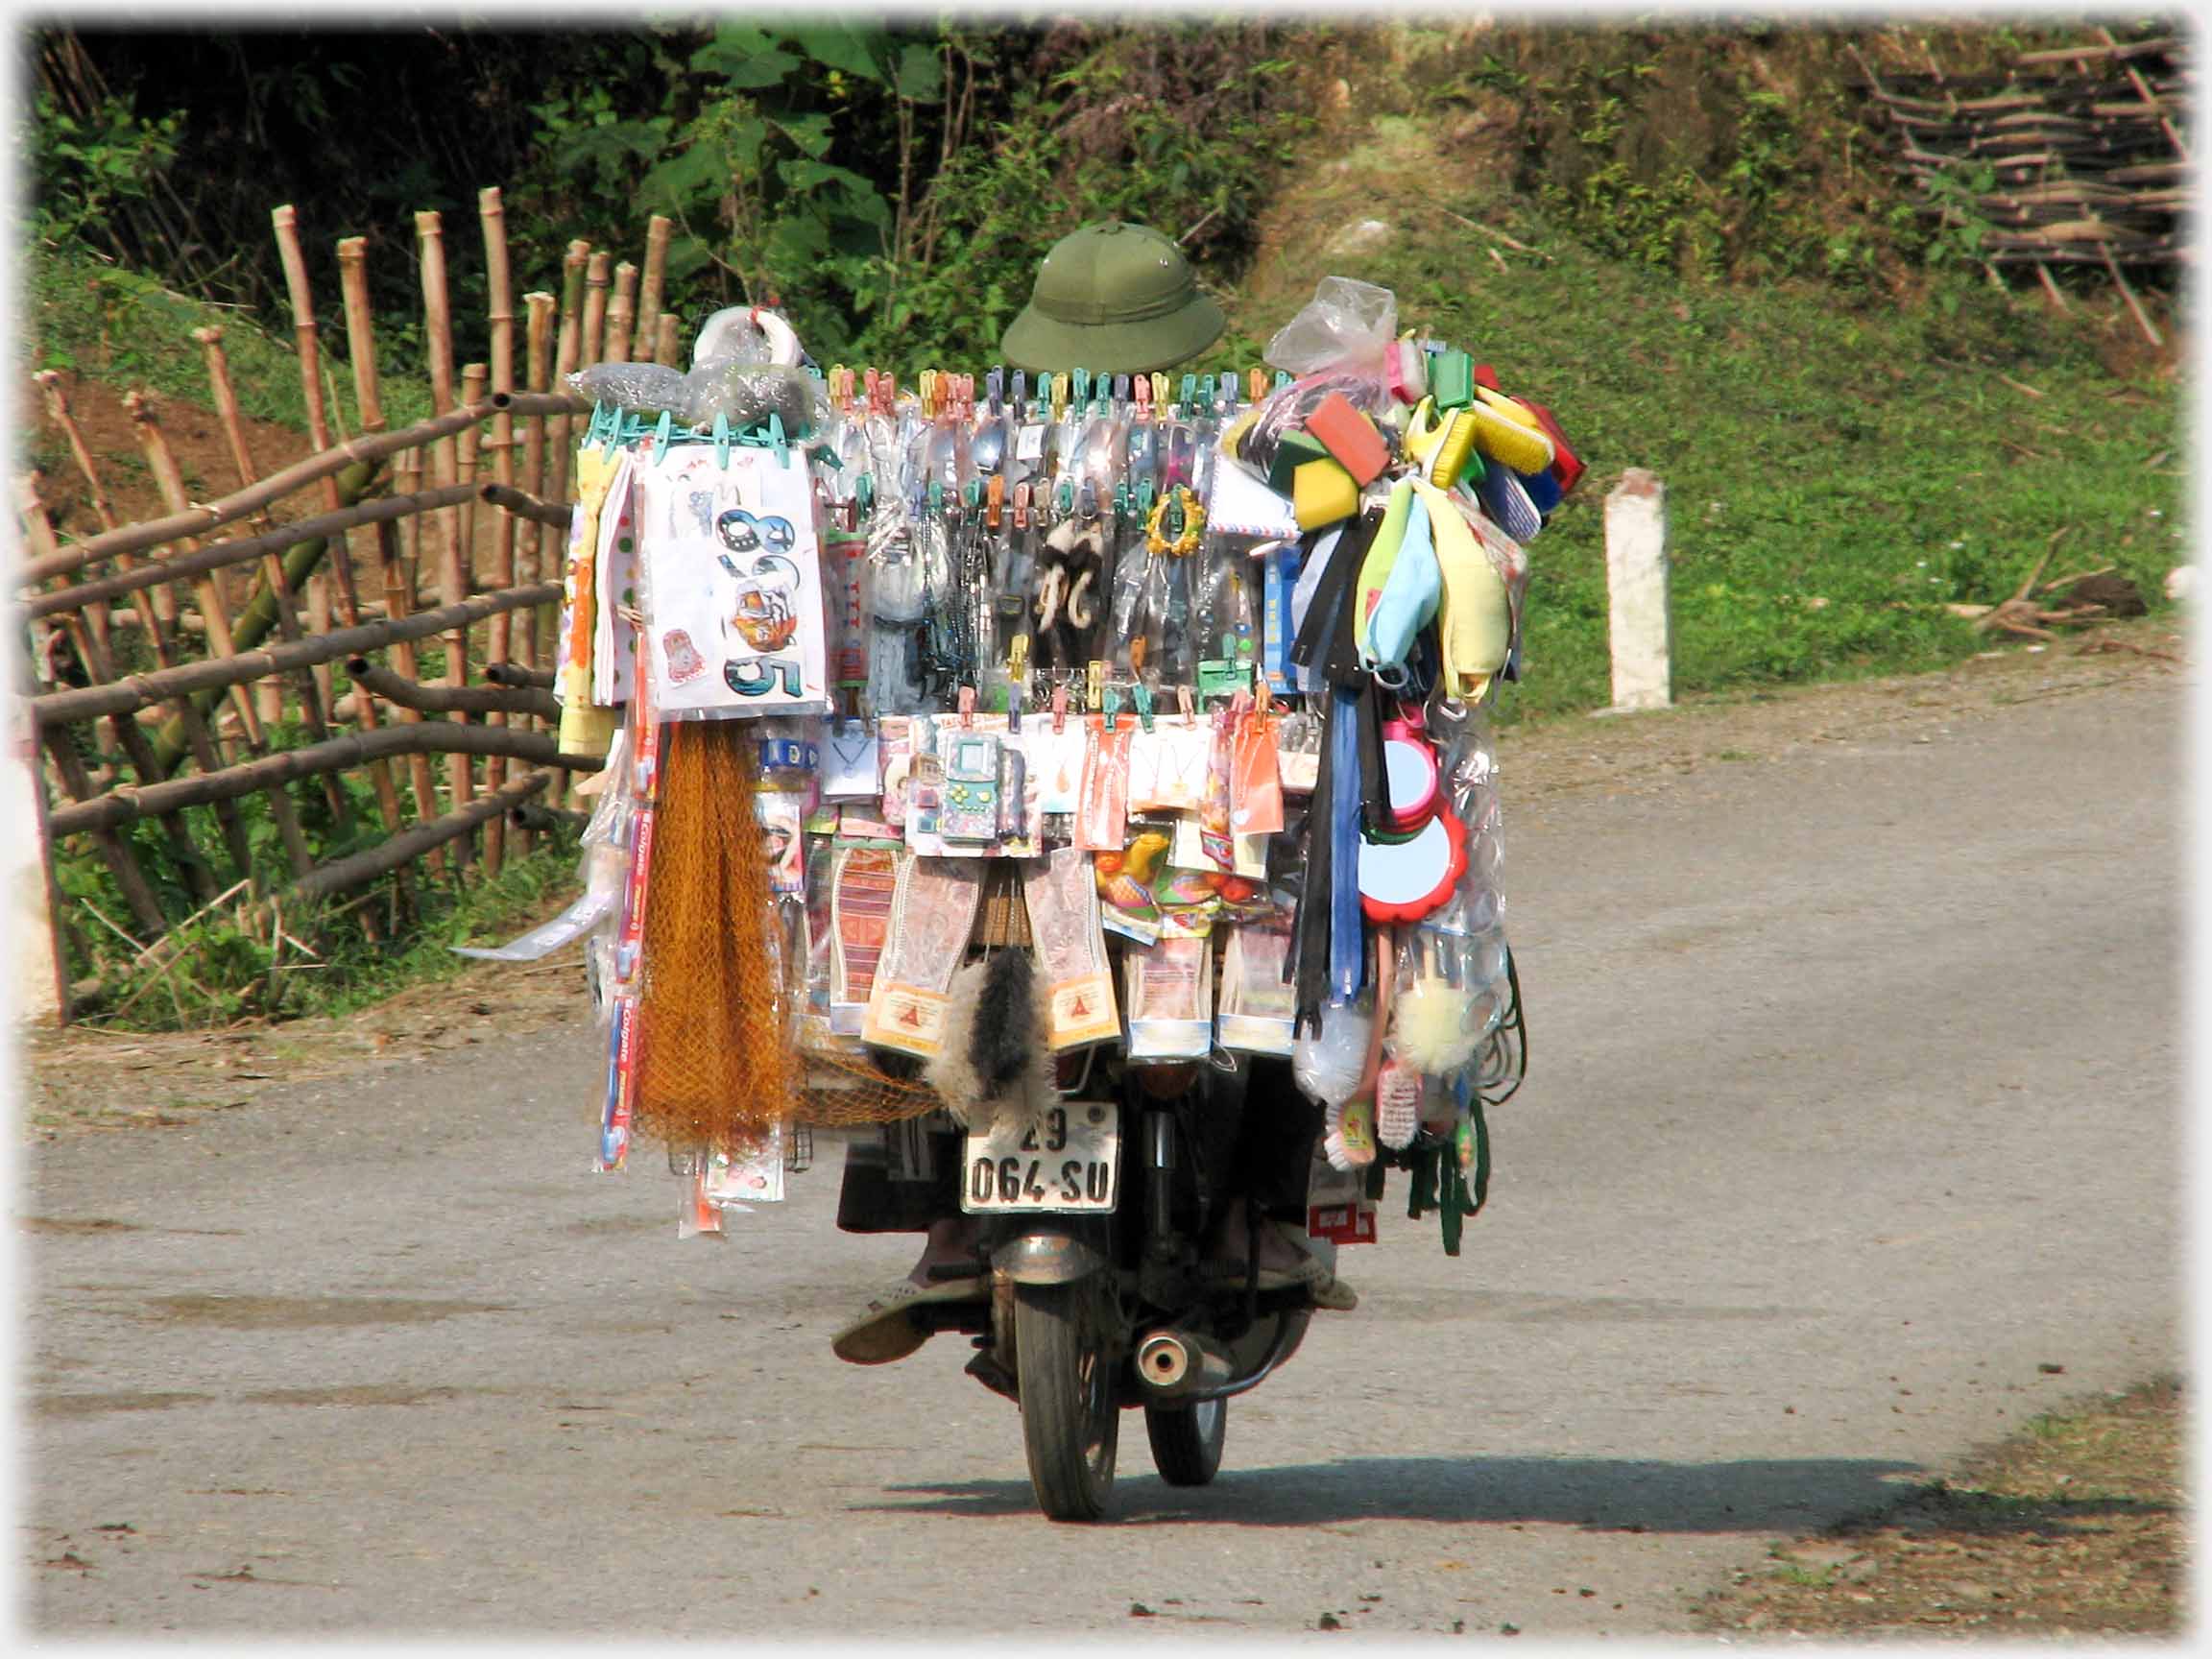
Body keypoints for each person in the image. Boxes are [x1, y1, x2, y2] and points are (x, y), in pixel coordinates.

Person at [830, 221, 1352, 1366]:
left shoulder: (983, 458)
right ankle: (1251, 1222)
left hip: (1010, 796)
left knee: (935, 967)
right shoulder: (1255, 454)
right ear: (1180, 345)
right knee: (1274, 949)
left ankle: (947, 1232)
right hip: (1180, 799)